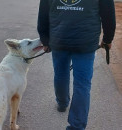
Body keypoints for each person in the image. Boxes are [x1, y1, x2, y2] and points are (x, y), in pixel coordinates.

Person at [37, 0, 116, 130]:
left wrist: (45, 39)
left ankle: (62, 103)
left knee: (61, 74)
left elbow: (43, 14)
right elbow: (108, 14)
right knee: (82, 84)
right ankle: (77, 126)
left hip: (59, 39)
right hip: (86, 41)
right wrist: (107, 39)